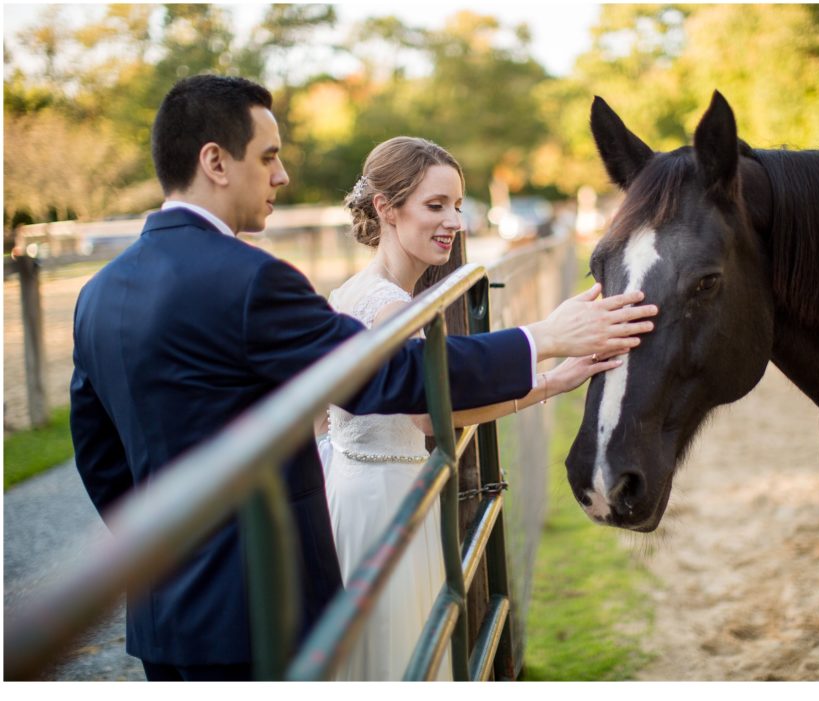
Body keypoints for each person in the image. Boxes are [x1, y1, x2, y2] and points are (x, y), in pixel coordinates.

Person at [69, 74, 657, 681]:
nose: (282, 176)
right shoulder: (251, 280)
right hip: (264, 612)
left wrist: (163, 558)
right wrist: (546, 337)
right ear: (215, 161)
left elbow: (99, 454)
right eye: (268, 157)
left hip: (165, 619)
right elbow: (394, 376)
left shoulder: (99, 294)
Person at [319, 137, 623, 680]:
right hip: (383, 505)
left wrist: (551, 380)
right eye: (435, 206)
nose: (454, 222)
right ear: (386, 209)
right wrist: (548, 339)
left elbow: (429, 408)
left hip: (375, 490)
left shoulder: (362, 291)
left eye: (457, 206)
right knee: (399, 661)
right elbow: (425, 410)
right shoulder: (385, 305)